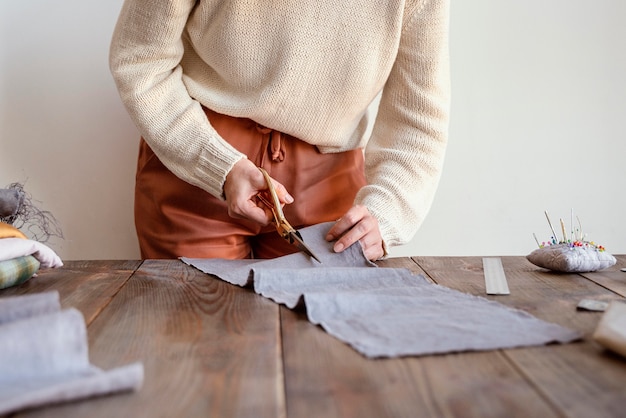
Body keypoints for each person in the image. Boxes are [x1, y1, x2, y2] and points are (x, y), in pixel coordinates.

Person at [109, 0, 450, 262]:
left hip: (330, 188)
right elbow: (141, 60)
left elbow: (418, 118)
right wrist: (218, 166)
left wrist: (385, 214)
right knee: (196, 340)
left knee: (319, 349)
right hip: (196, 167)